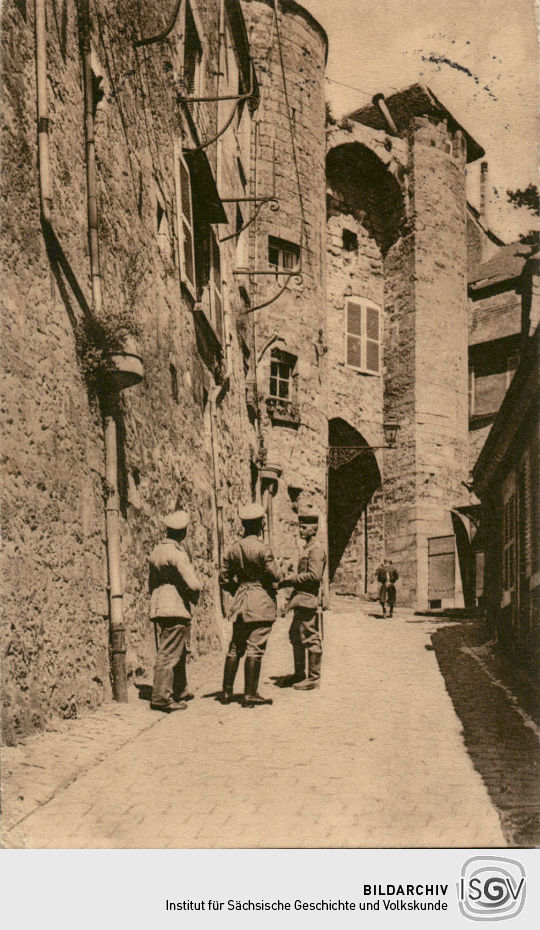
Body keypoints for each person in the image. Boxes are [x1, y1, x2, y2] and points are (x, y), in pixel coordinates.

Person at [219, 503, 280, 708]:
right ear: (260, 524)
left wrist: (238, 588)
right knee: (255, 647)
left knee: (236, 646)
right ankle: (250, 694)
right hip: (260, 602)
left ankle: (226, 692)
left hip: (240, 603)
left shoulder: (233, 549)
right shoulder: (263, 549)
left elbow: (224, 579)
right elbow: (276, 575)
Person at [149, 510, 201, 712]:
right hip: (175, 605)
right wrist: (198, 587)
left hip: (161, 602)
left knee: (177, 649)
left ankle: (180, 688)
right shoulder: (176, 553)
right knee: (169, 652)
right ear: (183, 532)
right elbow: (193, 583)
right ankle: (161, 697)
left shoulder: (157, 551)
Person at [279, 511, 326, 690]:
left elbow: (314, 576)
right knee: (295, 635)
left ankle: (314, 678)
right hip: (300, 599)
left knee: (310, 637)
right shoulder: (307, 549)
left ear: (313, 529)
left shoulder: (316, 550)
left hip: (308, 599)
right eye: (300, 526)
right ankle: (299, 674)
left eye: (304, 527)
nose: (300, 530)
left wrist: (291, 579)